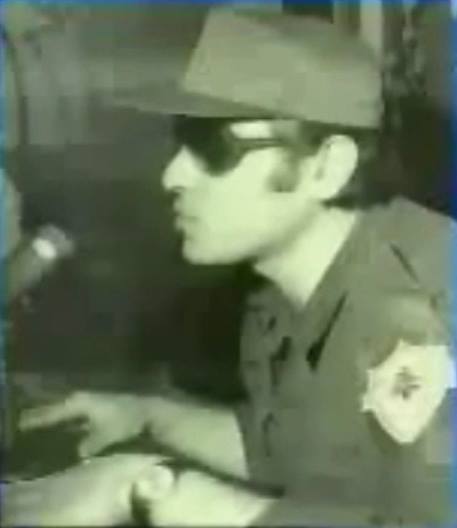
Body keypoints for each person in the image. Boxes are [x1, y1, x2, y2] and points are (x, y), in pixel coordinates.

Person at [13, 7, 454, 526]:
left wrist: (152, 491)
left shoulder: (428, 306)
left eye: (214, 147)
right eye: (181, 139)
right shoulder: (288, 292)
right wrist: (148, 416)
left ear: (327, 167)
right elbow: (291, 453)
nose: (173, 175)